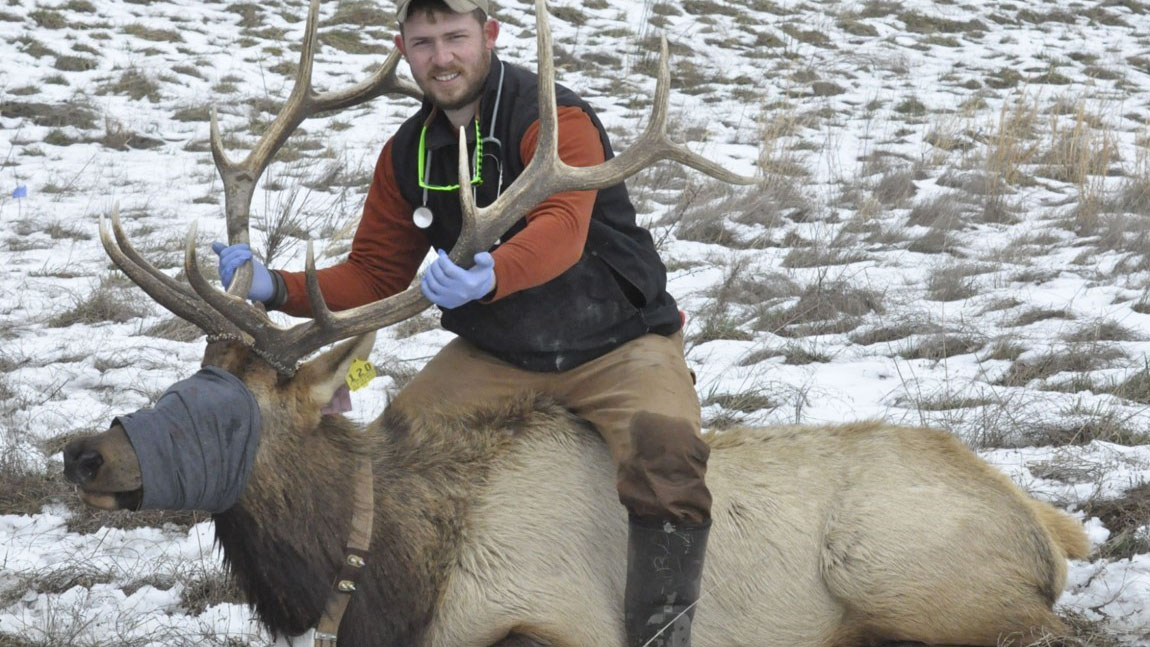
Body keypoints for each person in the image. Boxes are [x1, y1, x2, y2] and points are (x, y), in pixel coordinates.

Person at [213, 1, 711, 644]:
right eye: (423, 43)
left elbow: (564, 226)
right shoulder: (408, 153)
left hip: (618, 343)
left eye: (455, 37)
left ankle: (661, 635)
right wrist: (274, 285)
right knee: (391, 456)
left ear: (490, 34)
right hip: (497, 353)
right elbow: (371, 274)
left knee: (668, 458)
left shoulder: (556, 119)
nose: (441, 57)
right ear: (403, 49)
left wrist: (492, 273)